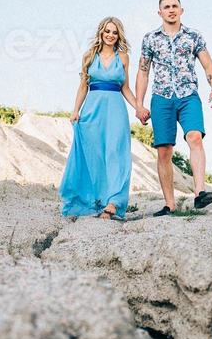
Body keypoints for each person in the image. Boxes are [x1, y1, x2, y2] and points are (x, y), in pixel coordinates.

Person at [135, 0, 212, 216]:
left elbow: (208, 64)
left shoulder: (194, 36)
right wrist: (139, 104)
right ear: (160, 12)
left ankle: (200, 192)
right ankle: (169, 204)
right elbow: (143, 72)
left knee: (195, 137)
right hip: (161, 98)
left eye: (175, 6)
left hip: (188, 95)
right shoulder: (150, 39)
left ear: (181, 10)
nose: (171, 10)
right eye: (166, 7)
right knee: (164, 150)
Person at [59, 16, 149, 221]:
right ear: (101, 32)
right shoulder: (89, 56)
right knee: (94, 154)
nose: (110, 35)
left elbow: (125, 88)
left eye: (114, 32)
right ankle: (94, 201)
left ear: (119, 36)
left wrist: (139, 108)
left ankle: (113, 203)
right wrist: (75, 110)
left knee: (116, 153)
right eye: (107, 31)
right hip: (92, 109)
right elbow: (83, 86)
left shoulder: (123, 57)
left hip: (116, 109)